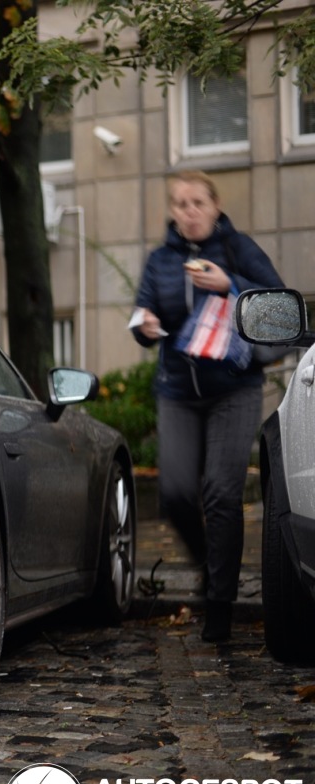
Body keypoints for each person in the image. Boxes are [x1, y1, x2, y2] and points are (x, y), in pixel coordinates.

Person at [131, 169, 284, 642]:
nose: (189, 211)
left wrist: (230, 283)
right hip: (177, 390)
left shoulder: (239, 249)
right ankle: (210, 566)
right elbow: (141, 311)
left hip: (233, 389)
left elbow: (278, 307)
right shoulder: (160, 260)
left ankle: (219, 604)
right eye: (180, 204)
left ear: (215, 206)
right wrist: (145, 324)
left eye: (198, 202)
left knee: (220, 494)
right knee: (175, 494)